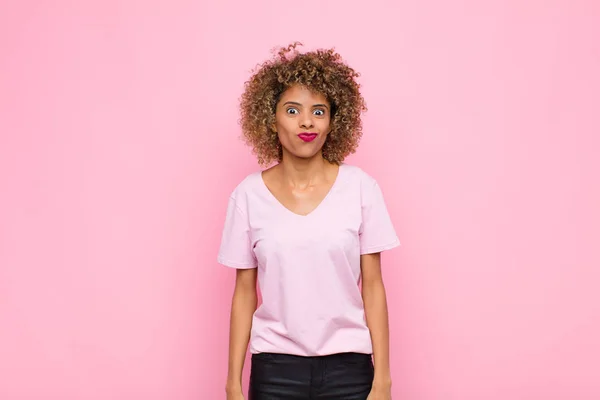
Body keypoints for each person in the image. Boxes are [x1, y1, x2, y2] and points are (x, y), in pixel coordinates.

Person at [217, 42, 400, 400]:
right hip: (275, 372)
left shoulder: (361, 188)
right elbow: (243, 294)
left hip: (350, 369)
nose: (306, 122)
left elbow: (374, 287)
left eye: (319, 111)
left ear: (334, 120)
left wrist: (384, 380)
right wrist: (232, 384)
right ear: (271, 119)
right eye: (292, 110)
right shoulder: (248, 196)